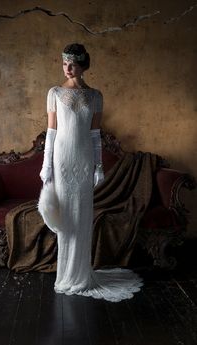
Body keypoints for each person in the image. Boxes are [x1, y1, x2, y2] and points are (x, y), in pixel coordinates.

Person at [38, 43, 143, 302]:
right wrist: (46, 165)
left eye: (73, 63)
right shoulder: (54, 93)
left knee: (82, 214)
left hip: (84, 159)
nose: (68, 68)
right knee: (66, 217)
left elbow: (95, 136)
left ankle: (82, 274)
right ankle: (66, 275)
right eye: (64, 63)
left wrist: (98, 167)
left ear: (83, 65)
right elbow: (51, 133)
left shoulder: (96, 96)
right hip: (62, 159)